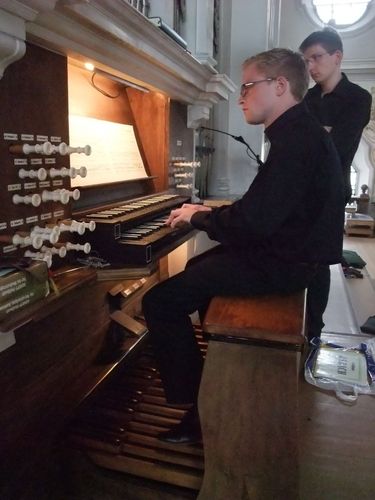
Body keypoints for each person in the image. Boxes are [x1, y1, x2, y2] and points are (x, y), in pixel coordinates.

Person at [142, 48, 345, 444]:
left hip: (286, 262)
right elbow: (264, 208)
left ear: (281, 86)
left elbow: (254, 221)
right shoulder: (297, 133)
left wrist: (198, 217)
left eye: (248, 86)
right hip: (288, 253)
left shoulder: (297, 140)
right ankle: (218, 377)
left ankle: (200, 412)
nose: (240, 97)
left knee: (159, 302)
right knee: (195, 271)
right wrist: (206, 213)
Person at [299, 28, 372, 340]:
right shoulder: (309, 97)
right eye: (306, 61)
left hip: (330, 191)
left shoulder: (358, 98)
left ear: (337, 56)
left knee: (319, 263)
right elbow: (297, 145)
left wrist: (316, 138)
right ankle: (293, 324)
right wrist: (321, 134)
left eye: (316, 58)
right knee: (296, 256)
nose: (311, 67)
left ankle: (315, 332)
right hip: (300, 188)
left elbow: (338, 149)